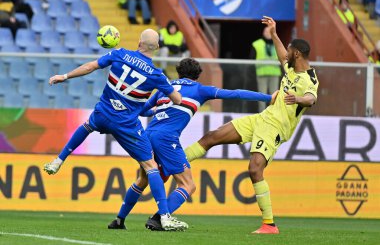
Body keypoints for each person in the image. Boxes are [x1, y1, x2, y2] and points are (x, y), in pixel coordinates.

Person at [107, 57, 278, 231]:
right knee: (188, 185)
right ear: (197, 76)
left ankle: (119, 219)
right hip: (166, 139)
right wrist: (267, 97)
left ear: (179, 72)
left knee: (143, 179)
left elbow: (142, 110)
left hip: (147, 134)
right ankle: (159, 218)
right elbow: (236, 93)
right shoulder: (200, 90)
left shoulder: (164, 88)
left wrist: (156, 109)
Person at [43, 29, 188, 231]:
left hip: (104, 112)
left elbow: (90, 67)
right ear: (156, 48)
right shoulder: (157, 75)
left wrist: (64, 76)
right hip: (126, 123)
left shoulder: (119, 54)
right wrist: (158, 97)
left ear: (139, 42)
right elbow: (177, 100)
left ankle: (59, 160)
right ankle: (164, 216)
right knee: (150, 167)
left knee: (87, 126)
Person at [185, 16, 319, 234]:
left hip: (275, 128)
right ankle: (176, 161)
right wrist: (274, 33)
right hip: (262, 118)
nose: (286, 55)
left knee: (255, 169)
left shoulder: (309, 79)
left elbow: (311, 99)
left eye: (289, 51)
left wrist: (298, 99)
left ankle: (269, 224)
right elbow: (281, 56)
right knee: (212, 136)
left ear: (297, 54)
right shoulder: (292, 69)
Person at [251, 26, 282, 112]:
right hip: (261, 73)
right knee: (262, 95)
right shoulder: (256, 44)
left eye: (270, 32)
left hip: (274, 74)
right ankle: (262, 113)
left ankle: (273, 113)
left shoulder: (277, 44)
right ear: (263, 33)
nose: (268, 34)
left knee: (275, 95)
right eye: (267, 32)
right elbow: (251, 60)